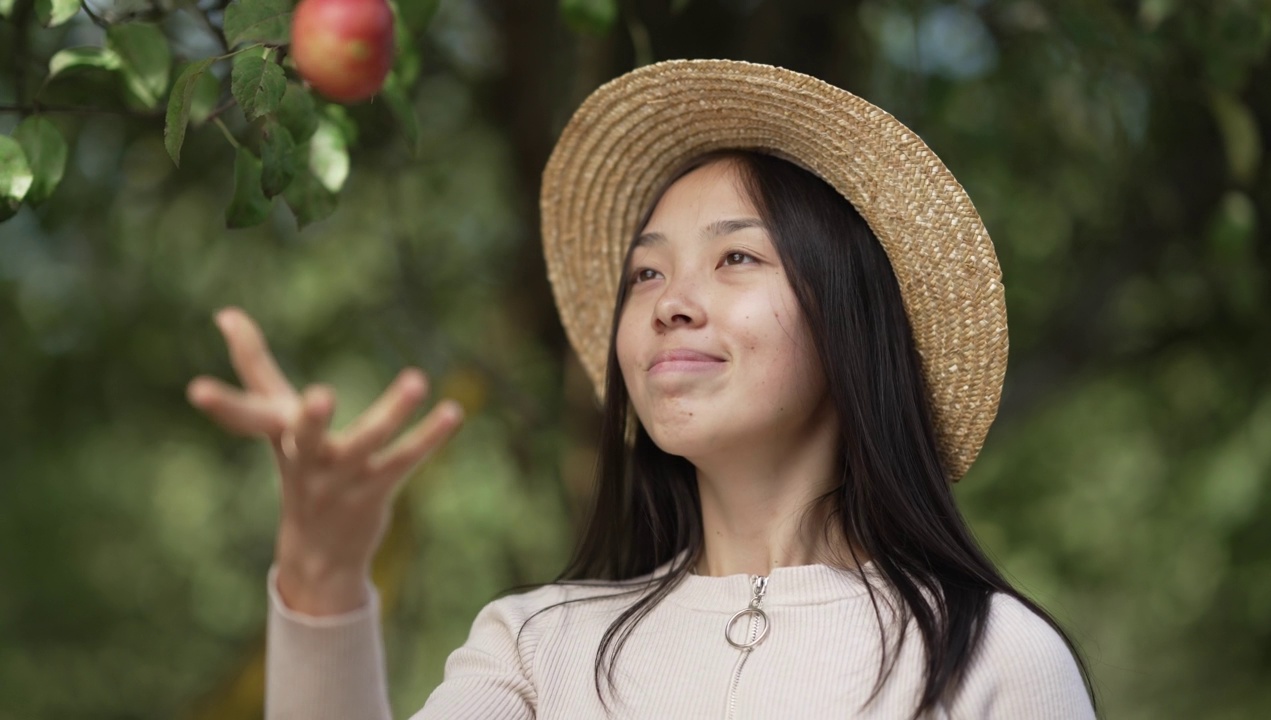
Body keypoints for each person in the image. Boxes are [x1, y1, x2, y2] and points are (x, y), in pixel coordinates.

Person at [188, 60, 1096, 718]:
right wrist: (323, 581)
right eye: (646, 276)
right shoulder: (537, 649)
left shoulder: (992, 659)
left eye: (736, 257)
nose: (671, 305)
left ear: (849, 321)